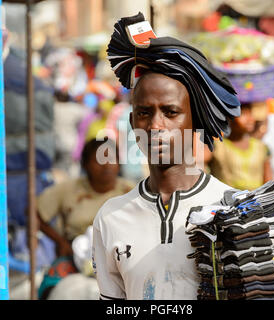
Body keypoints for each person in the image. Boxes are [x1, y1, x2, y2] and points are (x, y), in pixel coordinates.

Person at [92, 13, 242, 300]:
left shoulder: (230, 210)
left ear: (195, 119)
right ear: (133, 123)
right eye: (144, 113)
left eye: (171, 113)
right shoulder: (111, 218)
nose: (156, 126)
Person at [37, 138, 135, 299]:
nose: (106, 165)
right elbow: (35, 212)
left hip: (120, 256)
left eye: (111, 159)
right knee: (49, 288)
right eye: (98, 160)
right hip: (74, 255)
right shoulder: (68, 189)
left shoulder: (131, 191)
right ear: (85, 164)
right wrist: (60, 242)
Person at [206, 103, 273, 191]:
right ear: (229, 117)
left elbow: (268, 182)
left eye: (251, 114)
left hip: (256, 202)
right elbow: (199, 162)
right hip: (225, 202)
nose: (250, 119)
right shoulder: (217, 146)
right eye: (244, 114)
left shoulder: (261, 147)